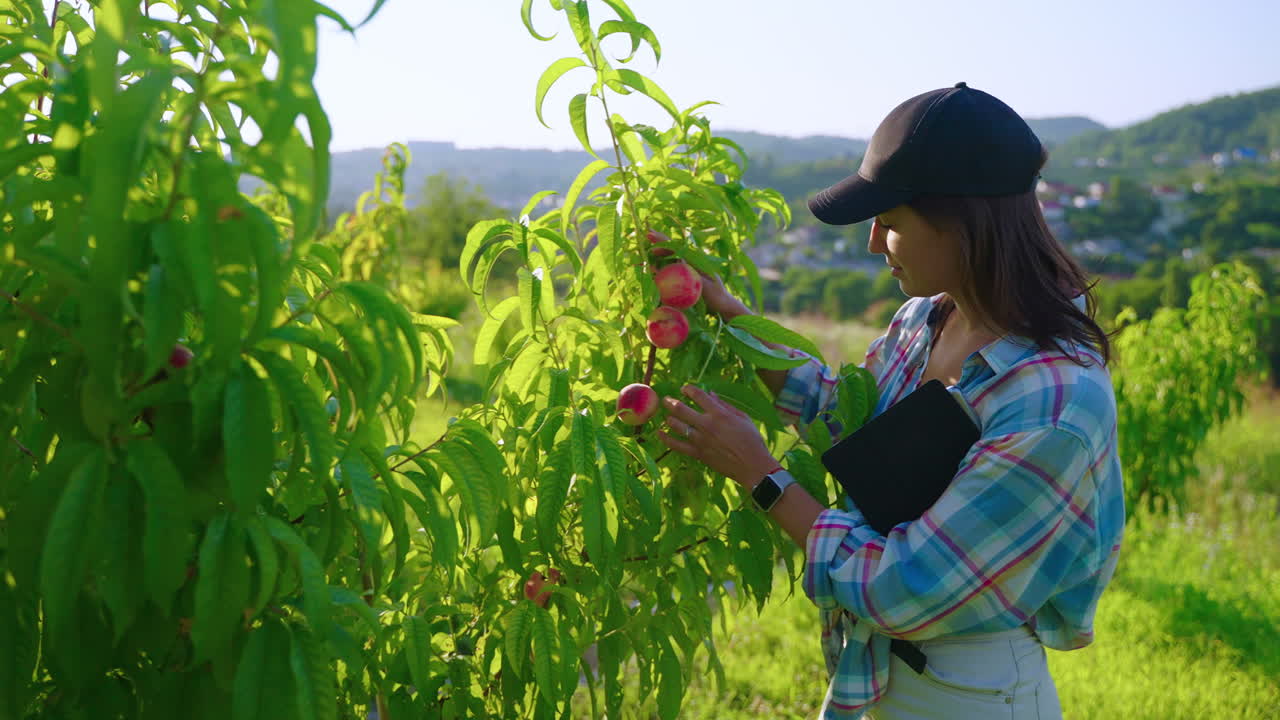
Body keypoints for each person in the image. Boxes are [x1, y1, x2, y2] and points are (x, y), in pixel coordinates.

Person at [656, 82, 1126, 720]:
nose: (874, 243)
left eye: (892, 222)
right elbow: (845, 418)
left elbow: (903, 586)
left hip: (970, 691)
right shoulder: (924, 320)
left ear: (963, 224)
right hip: (877, 672)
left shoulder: (1057, 401)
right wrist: (733, 317)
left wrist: (760, 475)